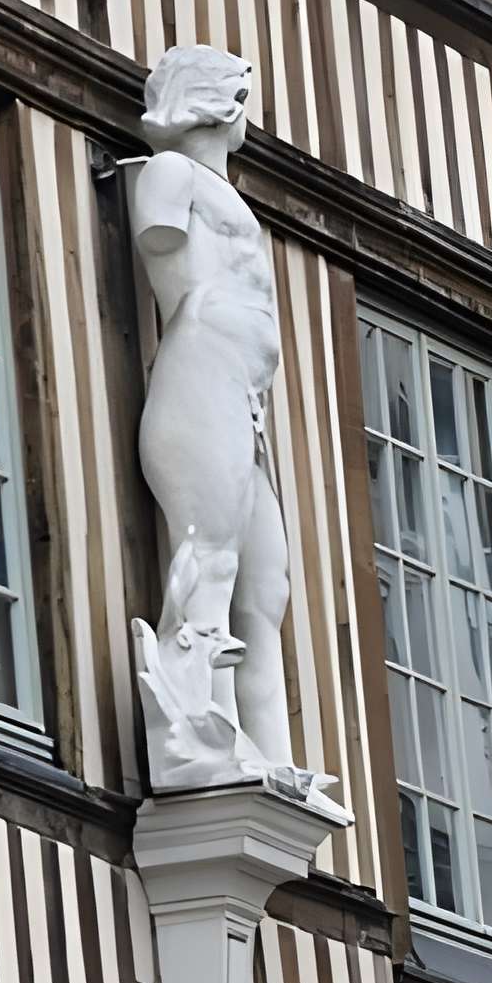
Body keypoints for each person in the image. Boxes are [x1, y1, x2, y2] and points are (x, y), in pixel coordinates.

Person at [127, 45, 299, 784]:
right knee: (213, 558)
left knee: (268, 587)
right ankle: (207, 734)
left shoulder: (221, 193)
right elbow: (161, 241)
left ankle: (273, 757)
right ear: (222, 104)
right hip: (200, 374)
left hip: (243, 393)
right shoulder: (169, 174)